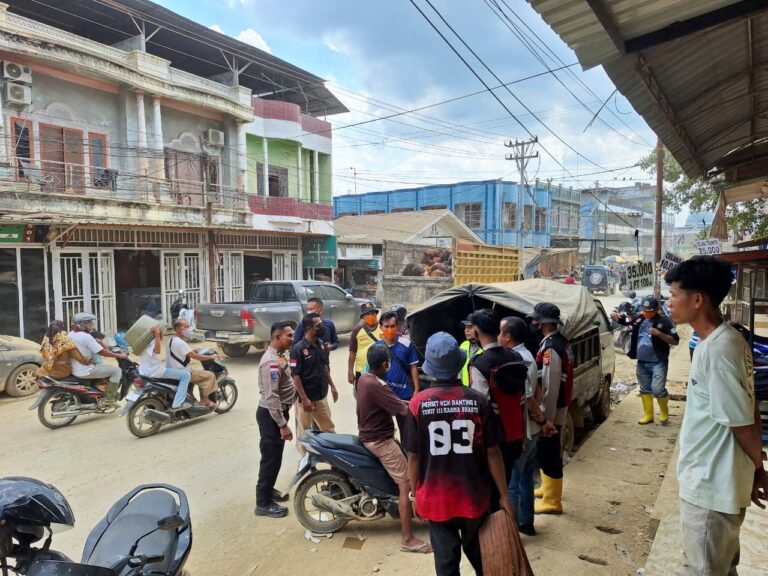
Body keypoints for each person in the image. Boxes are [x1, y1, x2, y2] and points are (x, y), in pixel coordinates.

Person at [666, 256, 767, 575]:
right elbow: (750, 407)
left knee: (703, 570)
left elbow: (743, 422)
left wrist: (758, 468)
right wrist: (752, 469)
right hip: (717, 481)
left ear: (697, 300)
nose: (669, 302)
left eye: (674, 294)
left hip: (711, 484)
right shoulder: (721, 342)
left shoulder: (720, 349)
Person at [406, 332, 513, 576]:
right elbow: (493, 452)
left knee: (446, 565)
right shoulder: (478, 401)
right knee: (484, 559)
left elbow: (413, 457)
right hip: (474, 495)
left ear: (430, 368)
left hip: (436, 498)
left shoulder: (417, 404)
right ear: (459, 364)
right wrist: (504, 495)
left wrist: (415, 495)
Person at [357, 344, 431, 554]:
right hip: (380, 440)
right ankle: (407, 539)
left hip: (371, 434)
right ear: (384, 364)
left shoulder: (364, 379)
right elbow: (403, 410)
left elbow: (396, 401)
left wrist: (416, 401)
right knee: (407, 485)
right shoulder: (379, 385)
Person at [500, 316, 556, 536]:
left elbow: (529, 397)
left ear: (508, 336)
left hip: (523, 431)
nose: (498, 336)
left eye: (500, 332)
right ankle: (526, 523)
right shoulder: (528, 357)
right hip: (531, 428)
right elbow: (538, 389)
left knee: (513, 482)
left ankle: (512, 529)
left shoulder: (517, 361)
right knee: (524, 479)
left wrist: (542, 421)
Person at [468, 309, 528, 511]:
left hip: (492, 443)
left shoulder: (479, 364)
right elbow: (523, 401)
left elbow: (480, 408)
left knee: (490, 496)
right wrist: (523, 436)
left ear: (476, 332)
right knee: (507, 484)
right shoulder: (516, 356)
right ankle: (507, 532)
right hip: (514, 436)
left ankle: (495, 539)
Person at [612, 296, 679, 426]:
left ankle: (664, 411)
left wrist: (659, 334)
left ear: (657, 310)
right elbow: (627, 321)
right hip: (642, 361)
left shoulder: (665, 322)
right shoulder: (640, 318)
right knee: (645, 389)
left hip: (658, 361)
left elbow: (675, 340)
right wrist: (617, 317)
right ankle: (648, 415)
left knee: (658, 389)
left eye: (649, 311)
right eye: (644, 310)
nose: (646, 313)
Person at [531, 303, 571, 515]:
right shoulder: (558, 341)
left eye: (536, 320)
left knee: (549, 452)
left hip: (552, 409)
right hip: (558, 406)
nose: (534, 323)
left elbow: (550, 385)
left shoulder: (551, 348)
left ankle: (553, 501)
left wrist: (545, 417)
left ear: (544, 323)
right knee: (547, 452)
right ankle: (547, 490)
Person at [255, 321, 296, 519]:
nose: (292, 338)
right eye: (289, 335)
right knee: (270, 459)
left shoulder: (279, 357)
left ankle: (269, 490)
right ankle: (262, 503)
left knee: (275, 457)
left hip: (277, 413)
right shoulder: (271, 362)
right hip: (272, 416)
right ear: (277, 337)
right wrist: (282, 424)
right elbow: (271, 397)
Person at [291, 313, 339, 451]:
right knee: (304, 434)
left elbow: (324, 366)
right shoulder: (298, 349)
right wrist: (305, 399)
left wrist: (333, 386)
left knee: (329, 430)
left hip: (320, 396)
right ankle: (306, 467)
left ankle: (335, 465)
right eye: (318, 325)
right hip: (305, 401)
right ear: (308, 328)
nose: (321, 327)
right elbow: (296, 375)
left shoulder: (321, 344)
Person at [69, 312, 127, 406]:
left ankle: (100, 393)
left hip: (74, 368)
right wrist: (119, 356)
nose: (91, 325)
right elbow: (101, 352)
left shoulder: (71, 334)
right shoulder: (86, 336)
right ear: (83, 325)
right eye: (89, 323)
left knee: (103, 367)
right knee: (116, 371)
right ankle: (109, 399)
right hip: (85, 370)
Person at [167, 318, 218, 409]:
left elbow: (182, 353)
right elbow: (196, 357)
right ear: (178, 329)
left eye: (188, 327)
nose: (188, 329)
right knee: (210, 375)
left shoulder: (170, 341)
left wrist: (192, 351)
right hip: (182, 372)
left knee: (199, 373)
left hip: (172, 371)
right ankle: (205, 400)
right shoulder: (180, 343)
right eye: (185, 327)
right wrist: (211, 357)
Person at [138, 325, 192, 410]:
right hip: (155, 372)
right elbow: (157, 350)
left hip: (143, 372)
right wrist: (156, 333)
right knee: (186, 375)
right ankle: (178, 403)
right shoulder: (152, 343)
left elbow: (160, 340)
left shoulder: (142, 343)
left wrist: (158, 333)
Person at [377, 311, 420, 401]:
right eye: (386, 326)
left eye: (392, 326)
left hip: (406, 393)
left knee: (406, 415)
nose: (390, 329)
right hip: (386, 394)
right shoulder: (376, 348)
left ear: (397, 326)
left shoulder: (407, 344)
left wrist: (416, 390)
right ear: (381, 327)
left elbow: (413, 367)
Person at [348, 302, 382, 387]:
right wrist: (350, 371)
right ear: (363, 317)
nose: (371, 316)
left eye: (373, 313)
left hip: (381, 370)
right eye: (368, 314)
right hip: (362, 371)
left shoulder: (383, 327)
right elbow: (352, 352)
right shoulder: (357, 330)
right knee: (363, 396)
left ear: (376, 314)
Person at [459, 315, 482, 386]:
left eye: (470, 327)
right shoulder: (463, 345)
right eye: (465, 327)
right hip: (464, 391)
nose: (466, 330)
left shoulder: (485, 348)